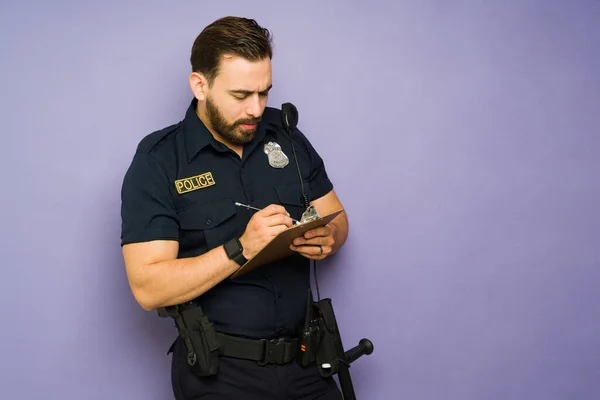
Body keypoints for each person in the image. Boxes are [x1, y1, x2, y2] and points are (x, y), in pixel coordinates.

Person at [120, 16, 349, 400]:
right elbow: (147, 287)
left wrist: (328, 237)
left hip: (308, 363)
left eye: (264, 93)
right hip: (222, 375)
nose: (257, 110)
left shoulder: (287, 136)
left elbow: (337, 218)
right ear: (200, 85)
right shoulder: (160, 160)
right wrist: (241, 248)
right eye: (241, 96)